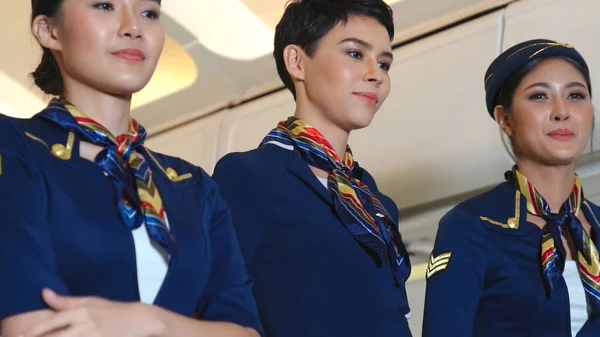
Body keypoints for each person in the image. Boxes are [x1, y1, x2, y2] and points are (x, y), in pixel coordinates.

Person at [0, 1, 261, 336]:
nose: (133, 26)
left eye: (148, 13)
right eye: (105, 5)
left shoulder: (192, 186)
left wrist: (153, 323)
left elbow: (246, 331)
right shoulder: (15, 146)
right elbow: (28, 327)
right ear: (49, 31)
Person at [211, 1, 412, 336]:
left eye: (384, 62)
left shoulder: (373, 200)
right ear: (297, 62)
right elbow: (219, 308)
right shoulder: (249, 176)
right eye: (354, 54)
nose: (376, 74)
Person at [423, 39, 600, 337]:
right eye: (540, 96)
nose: (562, 111)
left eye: (576, 95)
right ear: (505, 119)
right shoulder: (472, 226)